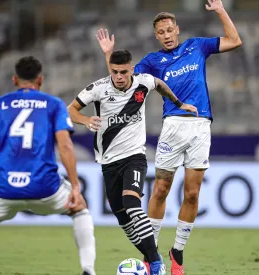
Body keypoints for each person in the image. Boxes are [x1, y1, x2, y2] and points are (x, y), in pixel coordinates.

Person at [95, 0, 242, 273]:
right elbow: (122, 81)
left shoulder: (196, 46)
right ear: (156, 36)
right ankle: (152, 256)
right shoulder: (152, 61)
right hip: (172, 126)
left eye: (170, 30)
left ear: (177, 29)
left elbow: (235, 40)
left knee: (193, 194)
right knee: (161, 189)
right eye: (161, 32)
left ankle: (178, 253)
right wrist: (109, 55)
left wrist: (221, 10)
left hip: (200, 126)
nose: (166, 35)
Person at [0, 56, 96, 275]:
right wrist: (75, 187)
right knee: (80, 211)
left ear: (15, 80)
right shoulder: (53, 105)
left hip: (5, 187)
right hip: (44, 185)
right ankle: (88, 269)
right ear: (40, 80)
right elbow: (65, 146)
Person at [67, 49, 197, 275]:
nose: (118, 76)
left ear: (132, 70)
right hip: (108, 162)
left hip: (134, 157)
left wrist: (178, 103)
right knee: (123, 218)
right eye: (114, 72)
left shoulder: (143, 82)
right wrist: (86, 120)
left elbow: (159, 84)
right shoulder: (98, 88)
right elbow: (70, 110)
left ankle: (156, 265)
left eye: (123, 72)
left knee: (131, 204)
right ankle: (151, 255)